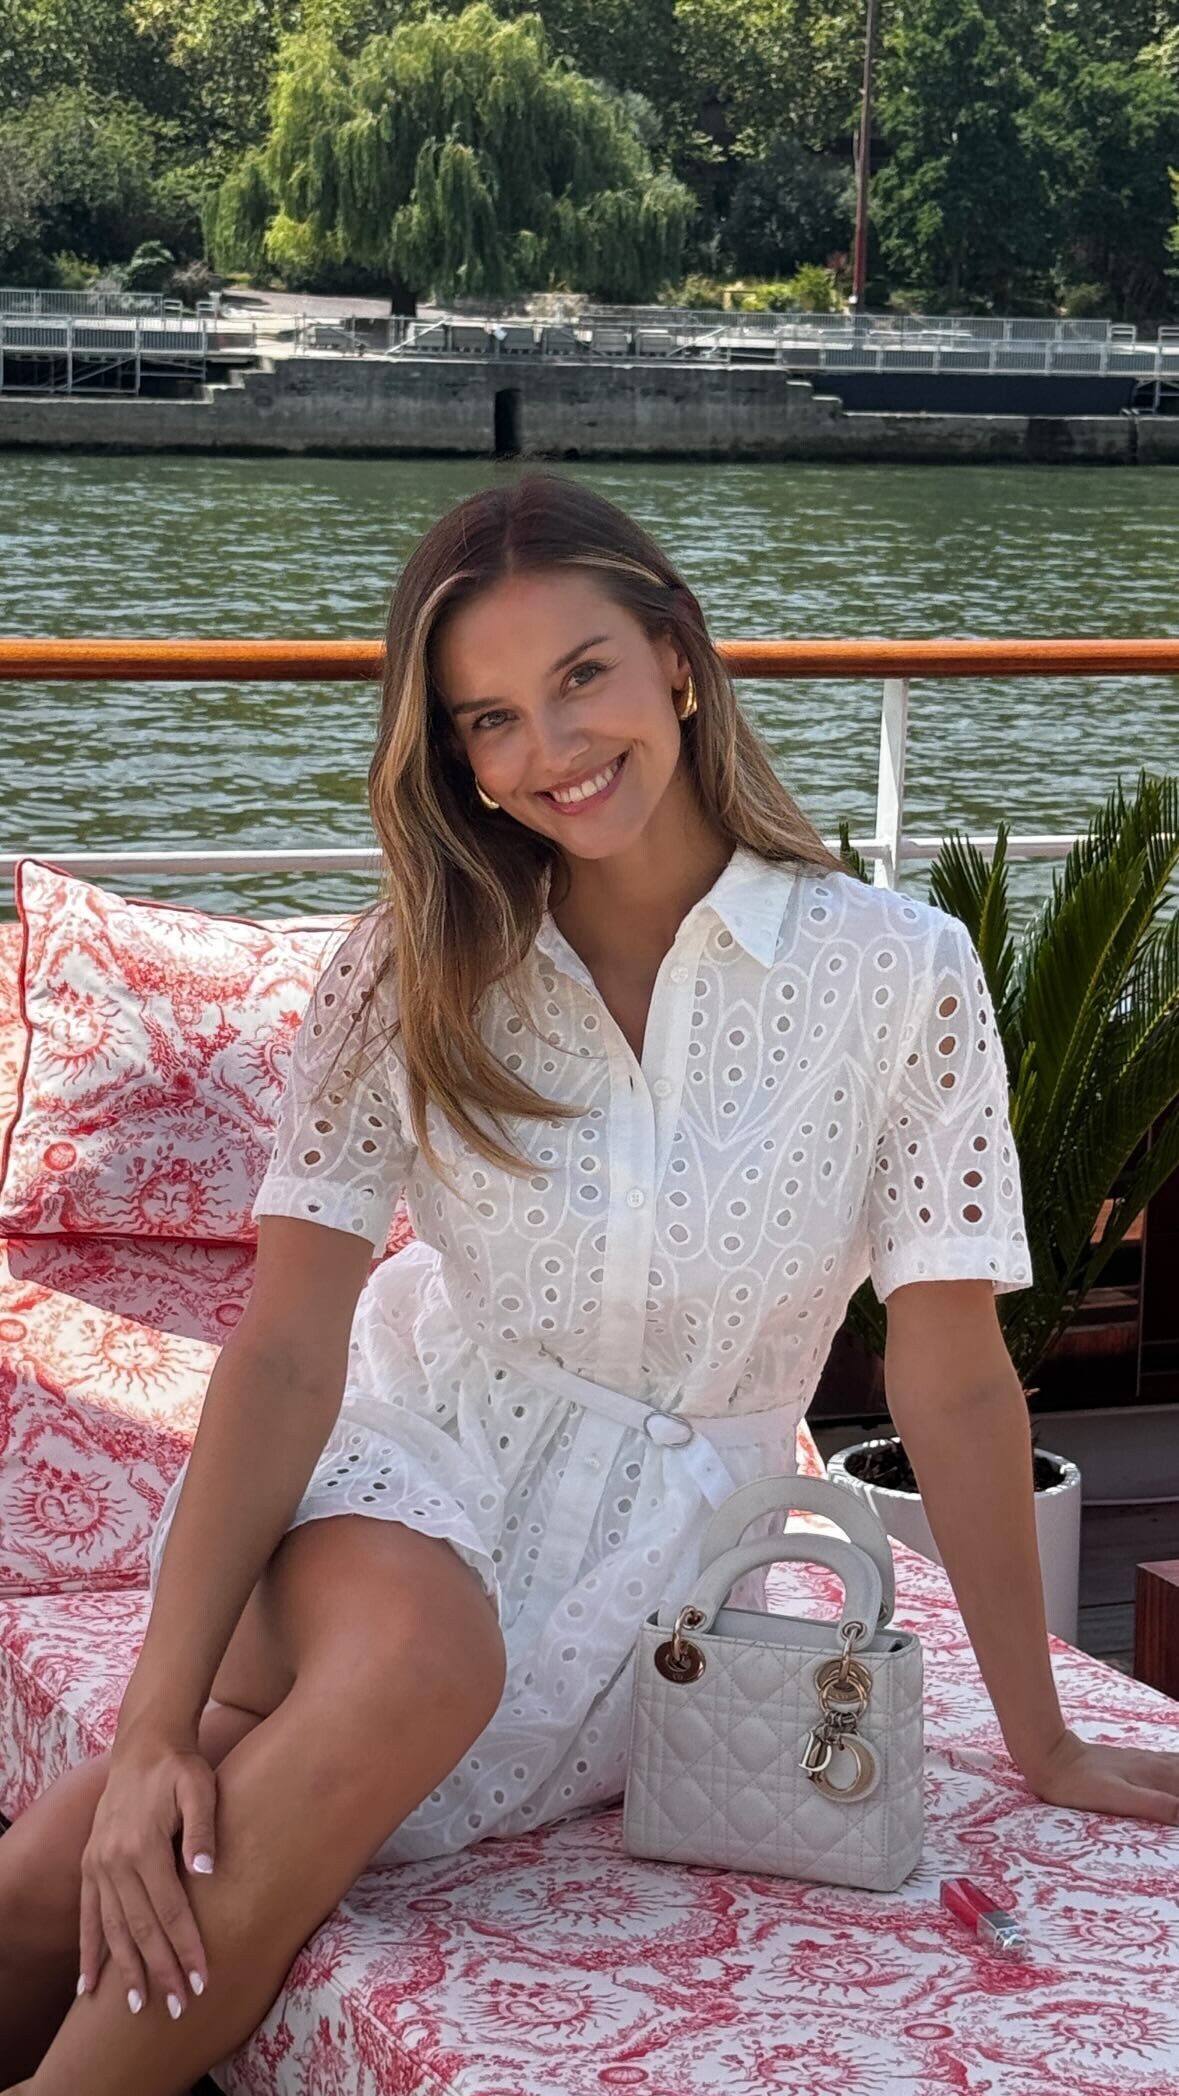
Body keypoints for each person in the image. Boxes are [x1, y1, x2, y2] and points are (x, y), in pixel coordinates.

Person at [2, 471, 1176, 2094]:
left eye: (581, 677)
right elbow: (284, 1353)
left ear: (677, 656)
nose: (549, 749)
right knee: (373, 1678)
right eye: (488, 719)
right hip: (415, 1468)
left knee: (125, 1831)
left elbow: (953, 1370)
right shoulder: (410, 966)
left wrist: (1039, 1735)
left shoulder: (902, 976)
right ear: (451, 755)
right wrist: (141, 1722)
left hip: (668, 1571)